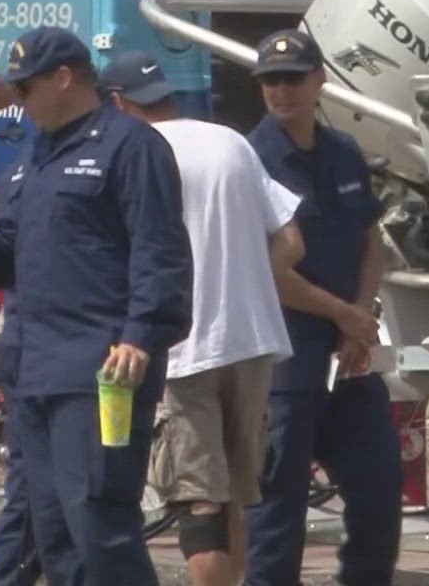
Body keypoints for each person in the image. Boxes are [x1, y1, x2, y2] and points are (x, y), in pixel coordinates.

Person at [0, 27, 193, 586]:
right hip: (32, 365)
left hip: (100, 367)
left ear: (63, 78)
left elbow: (160, 249)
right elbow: (11, 249)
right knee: (52, 526)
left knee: (98, 517)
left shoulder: (130, 145)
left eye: (25, 88)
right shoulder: (37, 154)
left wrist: (142, 334)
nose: (17, 102)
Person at [100, 51, 305, 586]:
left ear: (119, 103)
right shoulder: (230, 141)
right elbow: (290, 242)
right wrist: (241, 278)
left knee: (200, 506)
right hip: (253, 339)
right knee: (236, 495)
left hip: (181, 348)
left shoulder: (134, 151)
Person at [244, 30, 400, 586]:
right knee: (277, 505)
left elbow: (369, 236)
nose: (281, 90)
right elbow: (267, 269)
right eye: (270, 81)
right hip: (287, 354)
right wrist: (344, 315)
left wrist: (359, 316)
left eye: (292, 78)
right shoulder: (252, 159)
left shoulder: (343, 151)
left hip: (348, 353)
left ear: (319, 81)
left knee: (379, 487)